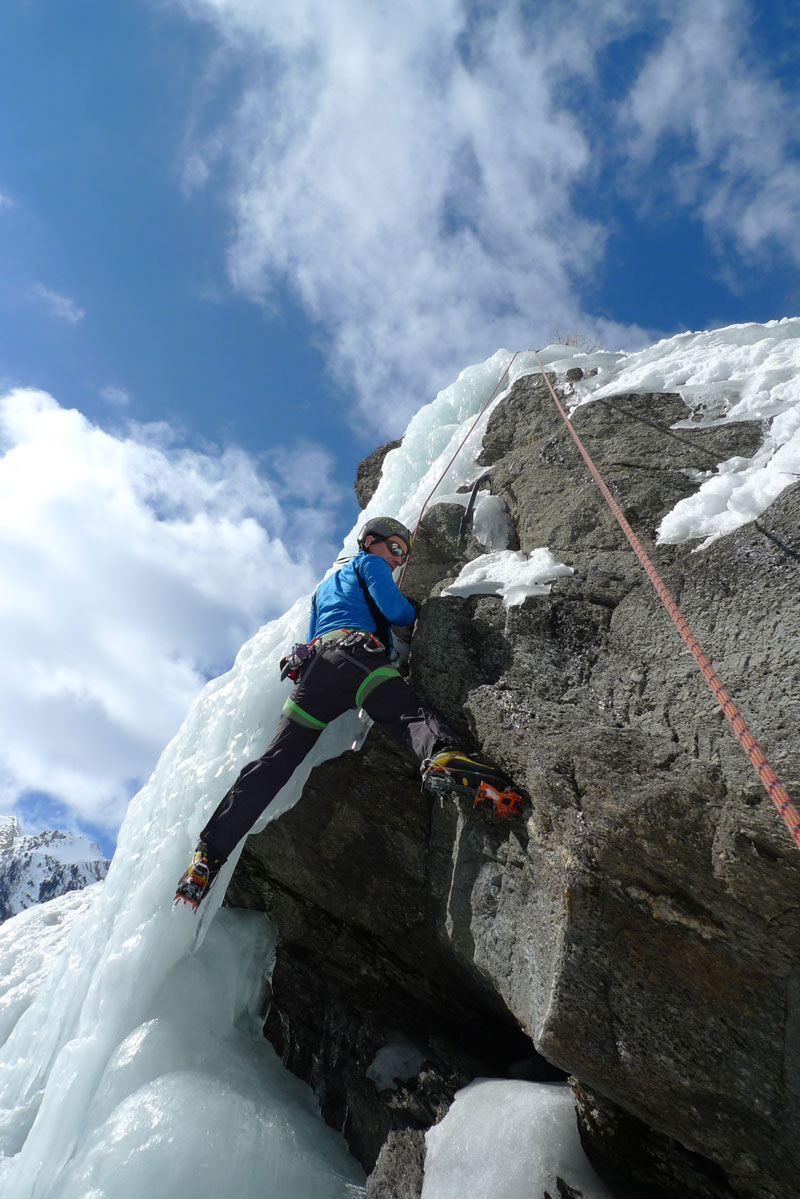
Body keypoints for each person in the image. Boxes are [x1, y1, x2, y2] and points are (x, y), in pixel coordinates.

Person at [175, 515, 520, 909]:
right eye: (394, 549)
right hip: (357, 659)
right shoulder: (367, 563)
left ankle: (207, 855)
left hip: (315, 675)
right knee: (405, 714)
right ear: (371, 541)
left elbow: (312, 635)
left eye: (402, 557)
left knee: (275, 762)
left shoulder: (323, 590)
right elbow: (396, 611)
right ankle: (445, 756)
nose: (396, 560)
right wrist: (414, 609)